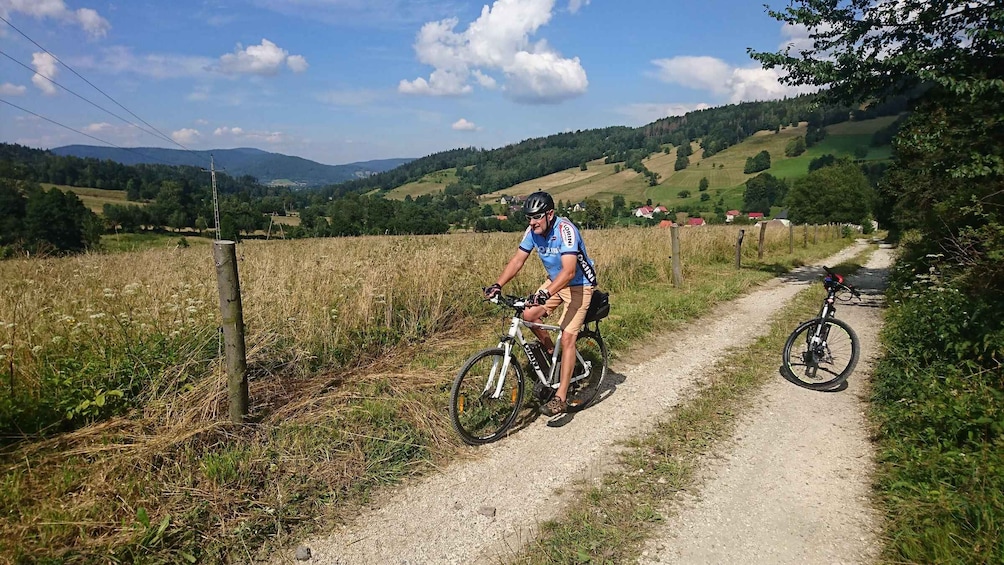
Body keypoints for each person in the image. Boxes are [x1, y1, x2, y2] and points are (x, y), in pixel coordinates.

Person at [484, 191, 597, 417]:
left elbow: (569, 271)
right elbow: (518, 260)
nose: (532, 222)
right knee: (528, 316)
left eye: (536, 217)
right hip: (555, 282)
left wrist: (546, 292)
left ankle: (561, 397)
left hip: (579, 285)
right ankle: (550, 352)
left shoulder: (565, 231)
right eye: (529, 218)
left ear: (550, 214)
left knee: (567, 337)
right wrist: (497, 284)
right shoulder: (533, 232)